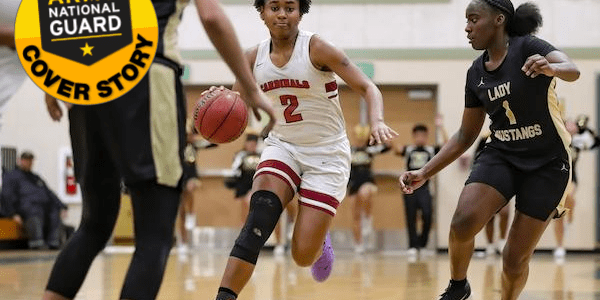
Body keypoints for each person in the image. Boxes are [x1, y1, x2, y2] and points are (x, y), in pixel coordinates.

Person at [41, 0, 276, 299]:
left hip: (85, 80)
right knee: (155, 233)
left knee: (93, 225)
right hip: (144, 76)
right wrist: (250, 87)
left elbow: (64, 15)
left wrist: (53, 79)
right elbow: (212, 16)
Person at [213, 1, 397, 299]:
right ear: (262, 12)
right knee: (259, 216)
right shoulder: (251, 57)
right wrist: (218, 99)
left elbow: (367, 87)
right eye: (274, 7)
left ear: (301, 12)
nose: (282, 14)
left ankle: (317, 233)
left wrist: (376, 120)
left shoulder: (318, 49)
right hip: (283, 144)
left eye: (290, 7)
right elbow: (237, 106)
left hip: (327, 155)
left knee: (302, 256)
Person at [399, 1, 580, 299]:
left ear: (499, 20)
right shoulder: (475, 73)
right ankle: (458, 286)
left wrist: (553, 67)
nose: (467, 27)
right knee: (463, 221)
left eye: (473, 19)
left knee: (513, 259)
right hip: (503, 155)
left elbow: (572, 70)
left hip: (547, 163)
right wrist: (424, 171)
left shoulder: (527, 47)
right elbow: (465, 135)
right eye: (466, 20)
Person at [395, 118, 447, 257]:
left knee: (427, 215)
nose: (420, 138)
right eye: (417, 135)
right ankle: (412, 245)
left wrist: (441, 127)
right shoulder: (409, 149)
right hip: (409, 189)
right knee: (411, 217)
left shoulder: (431, 149)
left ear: (426, 136)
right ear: (414, 136)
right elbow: (395, 149)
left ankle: (422, 244)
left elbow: (447, 146)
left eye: (423, 135)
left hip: (425, 189)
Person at [553, 115, 599, 259]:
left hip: (572, 178)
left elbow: (596, 142)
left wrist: (585, 128)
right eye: (569, 124)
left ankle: (570, 214)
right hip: (556, 178)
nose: (571, 126)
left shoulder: (578, 142)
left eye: (574, 125)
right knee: (558, 214)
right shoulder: (558, 140)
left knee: (570, 196)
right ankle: (560, 246)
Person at [0, 151, 68, 249]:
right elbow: (6, 195)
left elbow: (49, 193)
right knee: (35, 211)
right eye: (26, 160)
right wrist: (13, 213)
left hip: (43, 206)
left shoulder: (35, 178)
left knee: (54, 211)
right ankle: (37, 243)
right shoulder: (11, 176)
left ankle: (54, 243)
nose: (28, 163)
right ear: (20, 160)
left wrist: (62, 206)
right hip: (26, 208)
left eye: (30, 160)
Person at [348, 124, 390, 254]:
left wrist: (379, 133)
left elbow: (387, 147)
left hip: (367, 181)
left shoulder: (369, 150)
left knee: (364, 193)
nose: (359, 140)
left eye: (362, 137)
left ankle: (368, 216)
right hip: (353, 182)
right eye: (357, 137)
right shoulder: (350, 150)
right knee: (355, 215)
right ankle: (358, 243)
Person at [475, 131, 510, 257]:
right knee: (489, 216)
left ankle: (502, 241)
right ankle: (490, 245)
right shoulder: (485, 138)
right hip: (487, 178)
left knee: (505, 212)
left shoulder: (510, 136)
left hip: (504, 178)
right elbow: (477, 157)